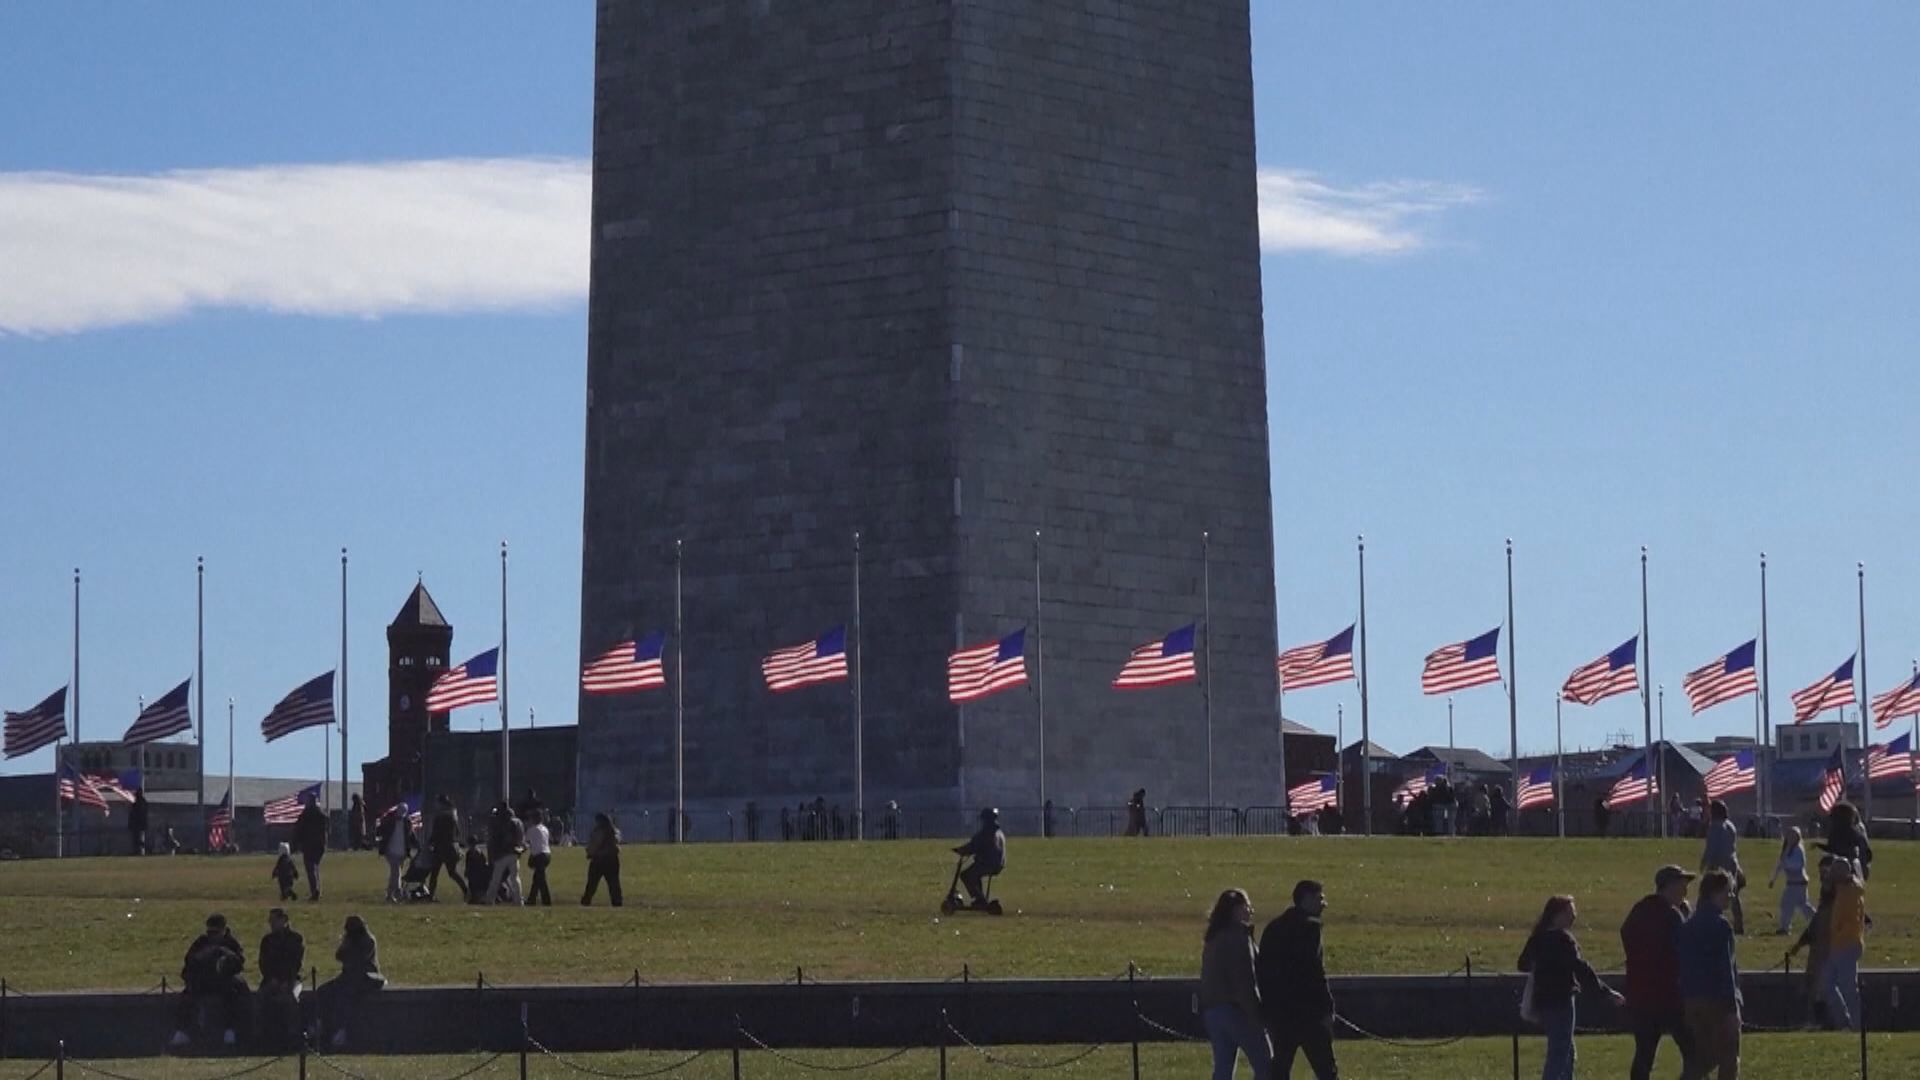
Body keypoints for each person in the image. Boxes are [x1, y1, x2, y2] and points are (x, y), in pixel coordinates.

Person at [1519, 895, 1621, 1080]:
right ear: (1557, 915)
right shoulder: (1564, 939)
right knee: (1560, 1052)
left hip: (1543, 1000)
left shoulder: (1538, 938)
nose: (1574, 917)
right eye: (1570, 912)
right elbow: (1580, 967)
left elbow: (1523, 964)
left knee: (1565, 1049)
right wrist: (1605, 992)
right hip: (1562, 1000)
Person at [1256, 880, 1337, 1080]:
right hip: (1309, 1013)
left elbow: (1262, 969)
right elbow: (1315, 972)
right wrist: (1327, 1007)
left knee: (1280, 1068)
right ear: (1305, 900)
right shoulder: (1311, 929)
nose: (1323, 904)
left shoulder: (1274, 928)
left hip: (1281, 1013)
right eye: (1319, 898)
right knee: (1326, 1069)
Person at [1621, 865, 1695, 1080]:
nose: (1685, 891)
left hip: (1640, 995)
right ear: (1670, 886)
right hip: (1669, 995)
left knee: (1644, 1054)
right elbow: (1686, 950)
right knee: (1693, 1052)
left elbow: (1626, 934)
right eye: (1682, 885)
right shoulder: (1672, 915)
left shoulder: (1640, 909)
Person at [1199, 889, 1271, 1080]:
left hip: (1213, 1011)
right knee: (1266, 1064)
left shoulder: (1213, 938)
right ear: (1235, 909)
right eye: (1246, 906)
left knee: (1223, 1069)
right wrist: (1257, 1013)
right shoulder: (1238, 937)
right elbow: (1245, 980)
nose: (1250, 911)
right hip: (1238, 1010)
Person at [1677, 870, 1741, 1080]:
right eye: (1727, 892)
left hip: (1691, 1000)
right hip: (1718, 1002)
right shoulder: (1721, 926)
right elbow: (1726, 969)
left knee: (1701, 1058)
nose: (1731, 897)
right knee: (1728, 1056)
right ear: (1715, 892)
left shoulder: (1688, 926)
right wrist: (1732, 1008)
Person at [169, 914, 249, 1048]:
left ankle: (231, 1031)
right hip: (204, 981)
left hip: (224, 982)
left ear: (224, 930)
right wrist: (206, 953)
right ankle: (182, 1032)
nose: (212, 936)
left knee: (235, 995)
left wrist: (225, 953)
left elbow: (239, 963)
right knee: (188, 996)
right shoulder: (202, 942)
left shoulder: (231, 943)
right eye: (210, 933)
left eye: (216, 933)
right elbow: (190, 961)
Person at [1788, 855, 1841, 1028]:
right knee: (1813, 986)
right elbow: (1817, 922)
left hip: (1830, 948)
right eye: (1821, 873)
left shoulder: (1839, 896)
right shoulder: (1826, 896)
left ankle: (1826, 1023)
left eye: (1826, 873)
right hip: (1819, 947)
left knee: (1822, 988)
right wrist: (1800, 943)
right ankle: (1817, 1021)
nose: (1822, 877)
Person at [318, 915, 384, 1048]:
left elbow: (359, 960)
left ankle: (342, 1030)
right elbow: (339, 956)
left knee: (345, 997)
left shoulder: (368, 940)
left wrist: (348, 953)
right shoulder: (348, 940)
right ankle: (320, 1024)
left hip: (366, 978)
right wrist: (345, 944)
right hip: (348, 977)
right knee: (322, 991)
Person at [1820, 856, 1868, 1031]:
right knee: (1827, 983)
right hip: (1838, 944)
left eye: (1834, 871)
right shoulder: (1843, 888)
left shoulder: (1851, 891)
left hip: (1847, 944)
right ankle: (1844, 1021)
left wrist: (1839, 930)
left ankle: (1856, 1026)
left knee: (1849, 989)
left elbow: (1852, 919)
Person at [256, 908, 305, 1049]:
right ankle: (259, 1036)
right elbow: (263, 963)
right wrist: (272, 979)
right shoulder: (267, 940)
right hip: (270, 980)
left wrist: (285, 980)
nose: (271, 923)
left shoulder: (296, 939)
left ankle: (293, 1036)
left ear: (284, 920)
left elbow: (296, 962)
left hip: (291, 980)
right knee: (259, 998)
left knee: (292, 1000)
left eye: (274, 920)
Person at [1698, 800, 1744, 934]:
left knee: (1707, 892)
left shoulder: (1714, 827)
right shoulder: (1730, 826)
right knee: (1732, 894)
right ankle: (1739, 923)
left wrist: (1705, 863)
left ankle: (1702, 919)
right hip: (1732, 862)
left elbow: (1711, 848)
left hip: (1718, 864)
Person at [952, 807, 1005, 908]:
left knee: (965, 875)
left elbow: (974, 845)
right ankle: (979, 898)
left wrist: (961, 850)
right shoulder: (998, 831)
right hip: (996, 863)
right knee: (974, 874)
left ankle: (980, 899)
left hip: (988, 864)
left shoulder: (987, 832)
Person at [1769, 826, 1816, 936]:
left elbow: (1798, 865)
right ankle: (1819, 921)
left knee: (1787, 904)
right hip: (1793, 883)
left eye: (1794, 836)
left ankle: (1785, 928)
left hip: (1798, 883)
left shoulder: (1798, 850)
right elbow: (1779, 865)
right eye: (1789, 835)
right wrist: (1773, 879)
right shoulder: (1787, 849)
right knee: (1803, 905)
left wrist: (1787, 864)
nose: (1791, 838)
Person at [425, 796, 467, 901]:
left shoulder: (440, 817)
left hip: (440, 847)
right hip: (450, 847)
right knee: (452, 872)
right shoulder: (453, 815)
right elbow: (457, 832)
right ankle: (466, 890)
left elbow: (436, 832)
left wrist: (430, 842)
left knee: (434, 873)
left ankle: (431, 895)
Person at [484, 803, 525, 906]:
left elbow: (495, 839)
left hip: (502, 853)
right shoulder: (517, 822)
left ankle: (490, 899)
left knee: (496, 878)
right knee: (515, 878)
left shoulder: (500, 822)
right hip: (514, 852)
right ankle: (518, 900)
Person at [1819, 801, 1873, 880]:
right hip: (1841, 868)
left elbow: (1865, 852)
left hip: (1849, 868)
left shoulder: (1853, 832)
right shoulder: (1837, 832)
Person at [375, 805, 417, 903]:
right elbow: (380, 831)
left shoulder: (407, 823)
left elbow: (411, 835)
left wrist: (418, 846)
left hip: (402, 852)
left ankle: (389, 895)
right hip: (390, 851)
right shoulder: (389, 821)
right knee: (397, 871)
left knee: (394, 874)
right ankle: (398, 892)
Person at [582, 812, 623, 906]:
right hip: (612, 859)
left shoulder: (597, 831)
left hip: (598, 860)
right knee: (614, 883)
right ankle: (617, 902)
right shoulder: (614, 831)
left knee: (592, 883)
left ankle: (586, 900)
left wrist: (590, 853)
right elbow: (617, 842)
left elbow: (594, 844)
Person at [293, 796, 328, 901]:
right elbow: (327, 827)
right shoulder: (322, 814)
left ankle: (315, 890)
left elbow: (299, 828)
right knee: (315, 866)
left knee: (310, 867)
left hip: (309, 844)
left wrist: (296, 842)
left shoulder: (306, 814)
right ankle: (316, 889)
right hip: (320, 844)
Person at [525, 809, 553, 906]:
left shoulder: (532, 829)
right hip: (547, 854)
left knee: (541, 880)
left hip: (539, 856)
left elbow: (526, 842)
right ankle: (531, 899)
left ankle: (546, 900)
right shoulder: (545, 828)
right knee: (537, 879)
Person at [464, 835, 493, 905]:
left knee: (476, 888)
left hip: (478, 876)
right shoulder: (474, 853)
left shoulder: (475, 853)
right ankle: (477, 898)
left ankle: (479, 898)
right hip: (476, 875)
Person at [129, 788, 150, 855]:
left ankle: (145, 848)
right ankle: (137, 851)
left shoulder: (140, 802)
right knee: (136, 839)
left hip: (138, 824)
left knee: (138, 839)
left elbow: (137, 813)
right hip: (139, 824)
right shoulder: (142, 802)